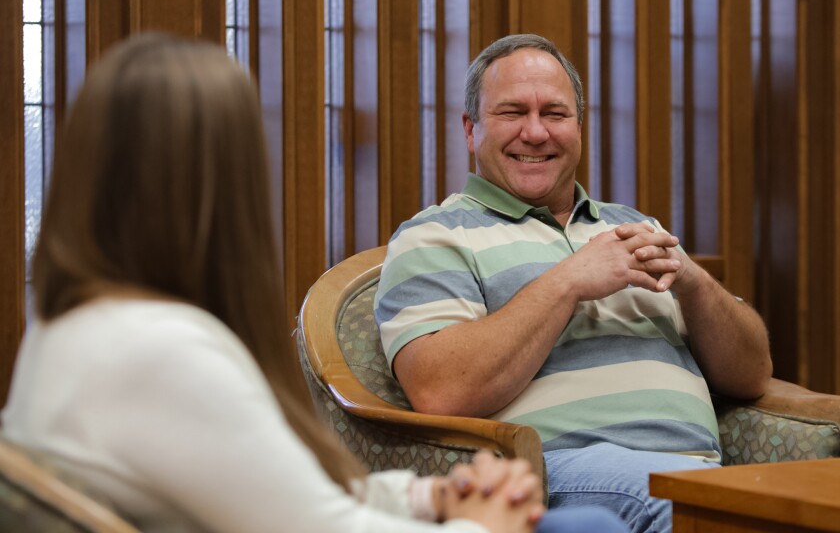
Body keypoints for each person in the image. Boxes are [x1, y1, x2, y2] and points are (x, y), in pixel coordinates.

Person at [1, 33, 629, 533]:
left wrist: (428, 492)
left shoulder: (76, 327)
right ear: (219, 186)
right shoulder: (159, 352)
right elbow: (317, 526)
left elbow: (274, 492)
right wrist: (482, 526)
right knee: (595, 525)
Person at [374, 33, 773, 533]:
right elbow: (441, 390)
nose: (536, 132)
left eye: (555, 114)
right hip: (559, 470)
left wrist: (693, 284)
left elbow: (753, 373)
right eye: (512, 112)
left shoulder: (635, 227)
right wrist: (568, 282)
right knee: (701, 506)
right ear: (471, 129)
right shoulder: (433, 236)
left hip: (693, 468)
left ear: (579, 129)